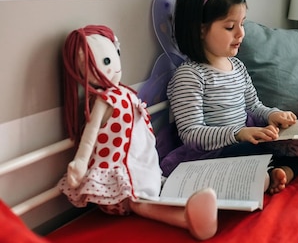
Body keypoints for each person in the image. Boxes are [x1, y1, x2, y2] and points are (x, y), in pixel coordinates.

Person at [58, 25, 218, 240]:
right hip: (117, 184)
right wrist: (80, 163)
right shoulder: (103, 101)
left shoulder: (127, 94)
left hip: (142, 171)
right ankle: (186, 219)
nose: (114, 64)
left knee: (164, 186)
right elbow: (90, 135)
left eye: (115, 55)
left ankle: (226, 196)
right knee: (139, 203)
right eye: (106, 61)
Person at [167, 0, 298, 194]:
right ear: (201, 29)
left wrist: (273, 115)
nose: (241, 33)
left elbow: (253, 106)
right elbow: (191, 133)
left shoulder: (237, 67)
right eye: (229, 27)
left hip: (243, 141)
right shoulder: (190, 76)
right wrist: (237, 133)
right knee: (246, 152)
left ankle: (279, 173)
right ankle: (268, 174)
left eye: (242, 24)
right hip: (212, 154)